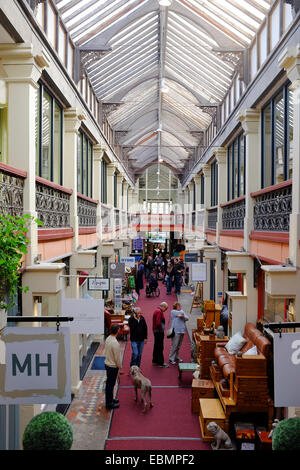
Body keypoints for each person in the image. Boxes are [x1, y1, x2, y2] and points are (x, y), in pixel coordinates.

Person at [104, 324, 122, 410]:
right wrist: (120, 367)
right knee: (110, 385)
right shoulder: (115, 343)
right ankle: (109, 404)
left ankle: (110, 399)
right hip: (112, 366)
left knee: (110, 384)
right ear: (117, 331)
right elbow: (117, 358)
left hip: (108, 364)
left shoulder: (108, 338)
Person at [152, 301, 169, 368]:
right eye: (166, 308)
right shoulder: (159, 312)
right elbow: (158, 323)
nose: (166, 310)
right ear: (163, 306)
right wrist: (161, 329)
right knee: (160, 347)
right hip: (158, 331)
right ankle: (160, 362)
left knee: (156, 346)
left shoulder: (157, 310)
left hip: (156, 331)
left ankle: (155, 361)